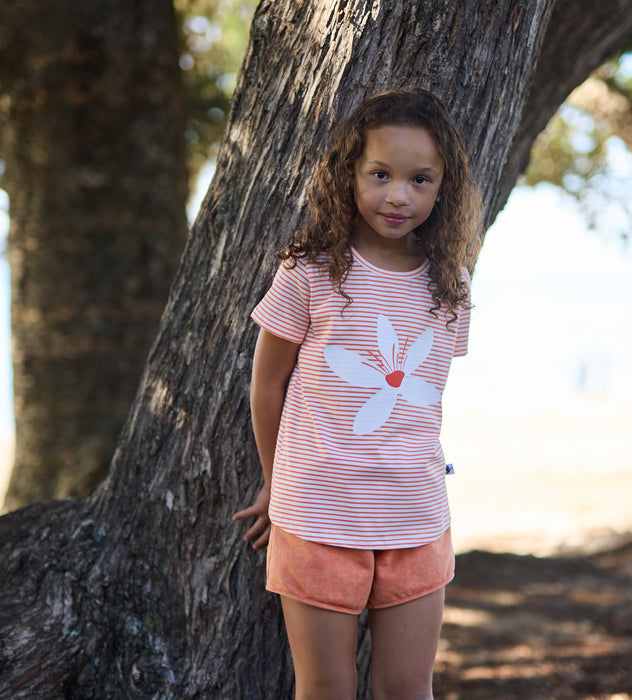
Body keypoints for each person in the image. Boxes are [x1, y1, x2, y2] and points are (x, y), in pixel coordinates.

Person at [232, 88, 481, 699]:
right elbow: (268, 384)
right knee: (326, 689)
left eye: (420, 180)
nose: (399, 196)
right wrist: (274, 481)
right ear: (350, 174)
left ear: (442, 188)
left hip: (416, 516)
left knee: (407, 688)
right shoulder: (310, 271)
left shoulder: (451, 285)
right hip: (316, 515)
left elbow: (421, 399)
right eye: (380, 174)